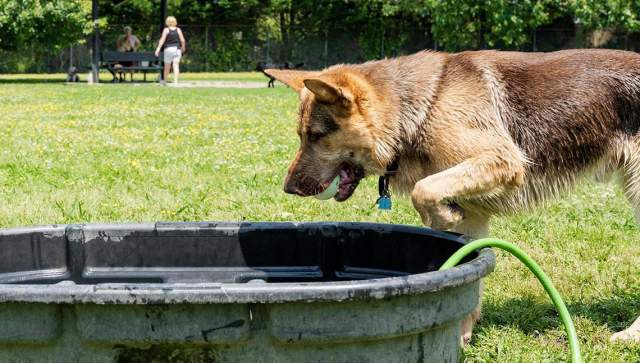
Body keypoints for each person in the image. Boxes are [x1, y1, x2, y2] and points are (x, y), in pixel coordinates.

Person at [155, 16, 186, 85]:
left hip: (168, 49)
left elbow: (162, 40)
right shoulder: (178, 30)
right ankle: (175, 82)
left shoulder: (166, 30)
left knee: (167, 67)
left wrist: (158, 49)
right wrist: (183, 47)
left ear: (167, 22)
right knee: (176, 65)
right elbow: (182, 40)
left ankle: (165, 81)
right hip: (177, 49)